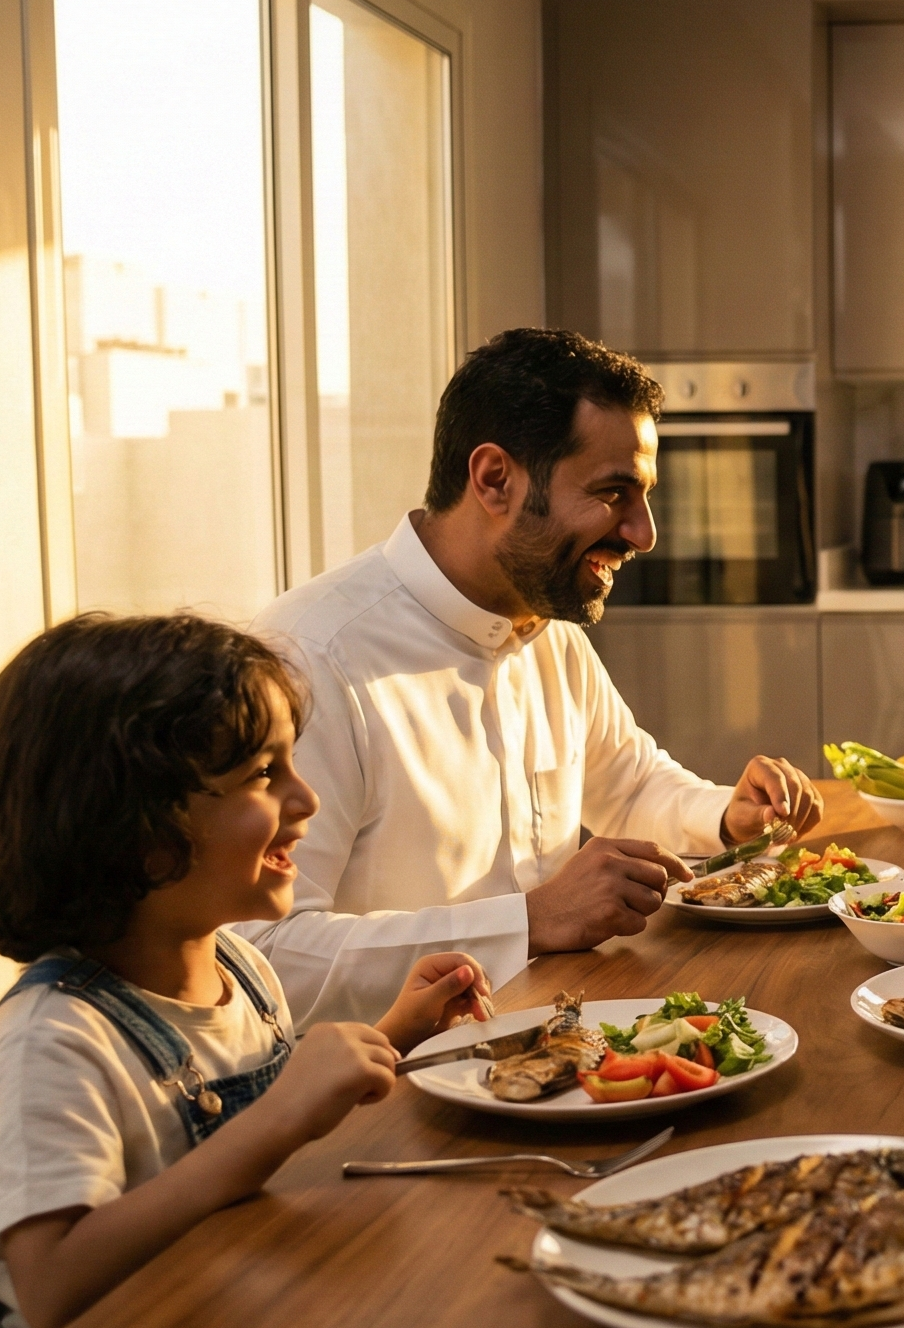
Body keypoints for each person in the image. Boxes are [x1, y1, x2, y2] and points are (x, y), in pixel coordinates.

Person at [0, 614, 492, 1328]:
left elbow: (272, 1103)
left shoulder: (240, 970)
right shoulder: (51, 1044)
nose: (307, 800)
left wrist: (393, 1035)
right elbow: (54, 1288)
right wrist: (276, 1121)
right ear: (136, 827)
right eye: (265, 775)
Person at [243, 328, 823, 1026]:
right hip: (390, 1098)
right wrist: (527, 921)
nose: (644, 534)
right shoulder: (308, 659)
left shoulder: (546, 626)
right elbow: (262, 956)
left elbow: (629, 784)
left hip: (564, 1040)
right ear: (494, 480)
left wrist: (727, 815)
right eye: (614, 493)